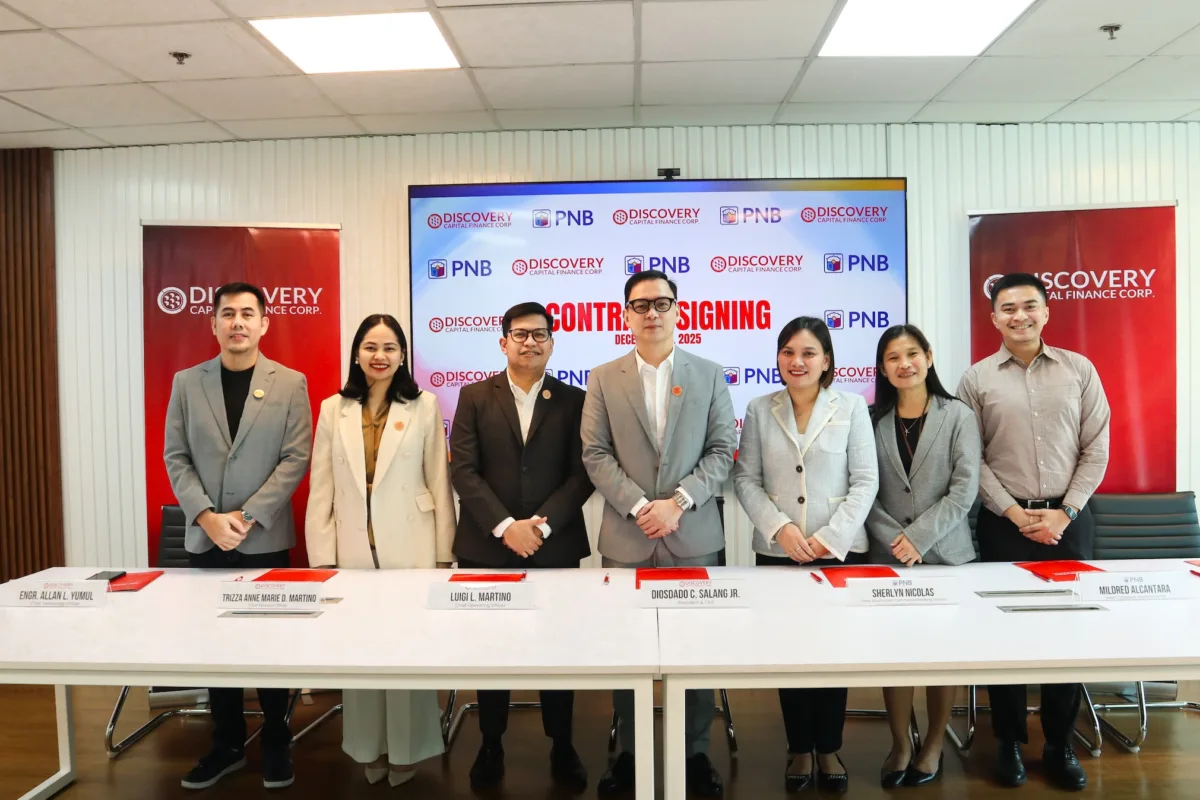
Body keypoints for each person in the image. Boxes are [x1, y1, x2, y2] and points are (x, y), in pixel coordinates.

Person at [582, 270, 735, 797]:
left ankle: (694, 755)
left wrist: (679, 503)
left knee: (696, 651)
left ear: (678, 310)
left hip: (692, 535)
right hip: (628, 539)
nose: (652, 312)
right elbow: (594, 454)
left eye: (662, 303)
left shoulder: (710, 374)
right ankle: (629, 754)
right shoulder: (602, 378)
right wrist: (643, 506)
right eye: (641, 304)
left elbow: (722, 452)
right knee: (626, 651)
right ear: (625, 313)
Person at [957, 272, 1110, 791]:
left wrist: (1065, 512)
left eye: (1028, 306)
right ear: (993, 317)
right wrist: (1013, 513)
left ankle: (1060, 743)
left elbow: (1097, 447)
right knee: (1007, 638)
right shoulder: (976, 379)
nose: (1018, 316)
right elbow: (969, 458)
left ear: (1046, 312)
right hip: (1005, 525)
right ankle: (1007, 743)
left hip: (1069, 523)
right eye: (1007, 308)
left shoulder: (1079, 369)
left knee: (1068, 637)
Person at [164, 281, 312, 791]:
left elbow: (296, 459)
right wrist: (207, 517)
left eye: (248, 313)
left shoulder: (290, 383)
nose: (238, 323)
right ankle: (226, 743)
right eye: (228, 313)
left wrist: (246, 517)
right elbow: (175, 457)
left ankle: (276, 737)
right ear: (213, 323)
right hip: (207, 541)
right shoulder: (187, 382)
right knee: (216, 647)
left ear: (265, 322)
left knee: (271, 646)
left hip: (265, 537)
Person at [449, 301, 595, 792]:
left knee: (557, 651)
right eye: (519, 334)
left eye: (539, 334)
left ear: (552, 343)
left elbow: (582, 475)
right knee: (492, 651)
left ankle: (563, 743)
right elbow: (463, 471)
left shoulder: (575, 400)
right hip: (487, 548)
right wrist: (506, 525)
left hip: (553, 548)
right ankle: (491, 744)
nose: (529, 342)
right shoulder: (473, 396)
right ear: (503, 342)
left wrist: (540, 528)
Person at [306, 314, 454, 788]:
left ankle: (408, 750)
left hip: (411, 542)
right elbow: (321, 485)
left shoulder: (425, 405)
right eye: (371, 346)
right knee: (363, 652)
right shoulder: (334, 408)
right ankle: (369, 745)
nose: (380, 356)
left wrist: (443, 554)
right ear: (356, 353)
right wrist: (322, 557)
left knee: (408, 652)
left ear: (403, 355)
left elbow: (439, 479)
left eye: (390, 347)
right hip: (353, 546)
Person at [732, 315, 877, 795]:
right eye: (789, 352)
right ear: (778, 357)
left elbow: (865, 482)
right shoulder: (758, 407)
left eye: (809, 353)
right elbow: (746, 480)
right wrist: (781, 529)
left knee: (833, 655)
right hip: (779, 552)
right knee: (789, 654)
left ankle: (829, 746)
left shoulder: (853, 406)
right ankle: (798, 747)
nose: (798, 361)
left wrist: (829, 538)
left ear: (827, 360)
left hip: (837, 552)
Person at [865, 324, 981, 788]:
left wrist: (921, 538)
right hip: (887, 556)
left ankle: (933, 742)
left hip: (946, 555)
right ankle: (900, 742)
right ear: (882, 368)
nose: (904, 364)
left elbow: (964, 488)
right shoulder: (871, 419)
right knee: (894, 654)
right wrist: (898, 540)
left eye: (912, 354)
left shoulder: (958, 416)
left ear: (929, 358)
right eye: (893, 357)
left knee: (940, 655)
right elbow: (862, 489)